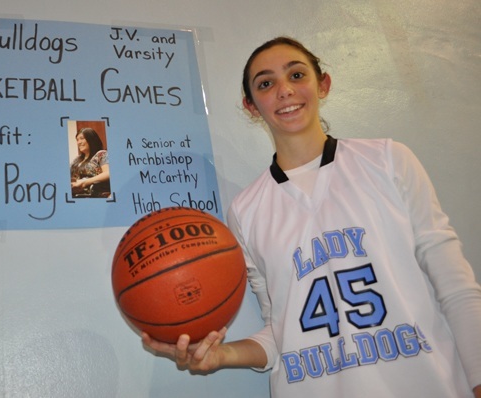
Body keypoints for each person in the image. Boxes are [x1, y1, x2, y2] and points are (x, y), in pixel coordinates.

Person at [142, 37, 481, 397]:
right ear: (252, 106)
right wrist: (220, 355)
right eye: (266, 83)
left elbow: (456, 288)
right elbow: (282, 328)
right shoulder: (246, 209)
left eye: (297, 74)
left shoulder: (387, 161)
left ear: (323, 84)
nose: (284, 91)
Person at [70, 127, 111, 198]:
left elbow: (108, 173)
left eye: (82, 138)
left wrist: (85, 182)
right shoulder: (76, 160)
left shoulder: (101, 154)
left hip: (96, 195)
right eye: (77, 140)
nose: (79, 142)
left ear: (91, 139)